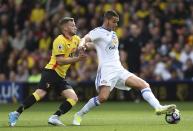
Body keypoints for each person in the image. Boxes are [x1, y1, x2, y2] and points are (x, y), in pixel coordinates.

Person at [72, 10, 177, 126]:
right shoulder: (98, 31)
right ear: (107, 20)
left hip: (119, 69)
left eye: (117, 22)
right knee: (102, 98)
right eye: (114, 22)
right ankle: (79, 115)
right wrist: (82, 45)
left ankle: (158, 107)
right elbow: (85, 38)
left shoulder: (113, 34)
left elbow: (100, 46)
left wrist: (90, 46)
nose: (116, 24)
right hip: (106, 70)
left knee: (144, 85)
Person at [8, 17, 87, 127]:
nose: (75, 27)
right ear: (65, 28)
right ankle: (15, 113)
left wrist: (98, 46)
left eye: (75, 25)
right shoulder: (59, 40)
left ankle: (54, 117)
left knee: (73, 98)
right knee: (40, 93)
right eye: (72, 25)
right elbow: (59, 61)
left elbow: (85, 44)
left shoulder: (76, 39)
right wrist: (77, 59)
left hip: (60, 76)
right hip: (52, 71)